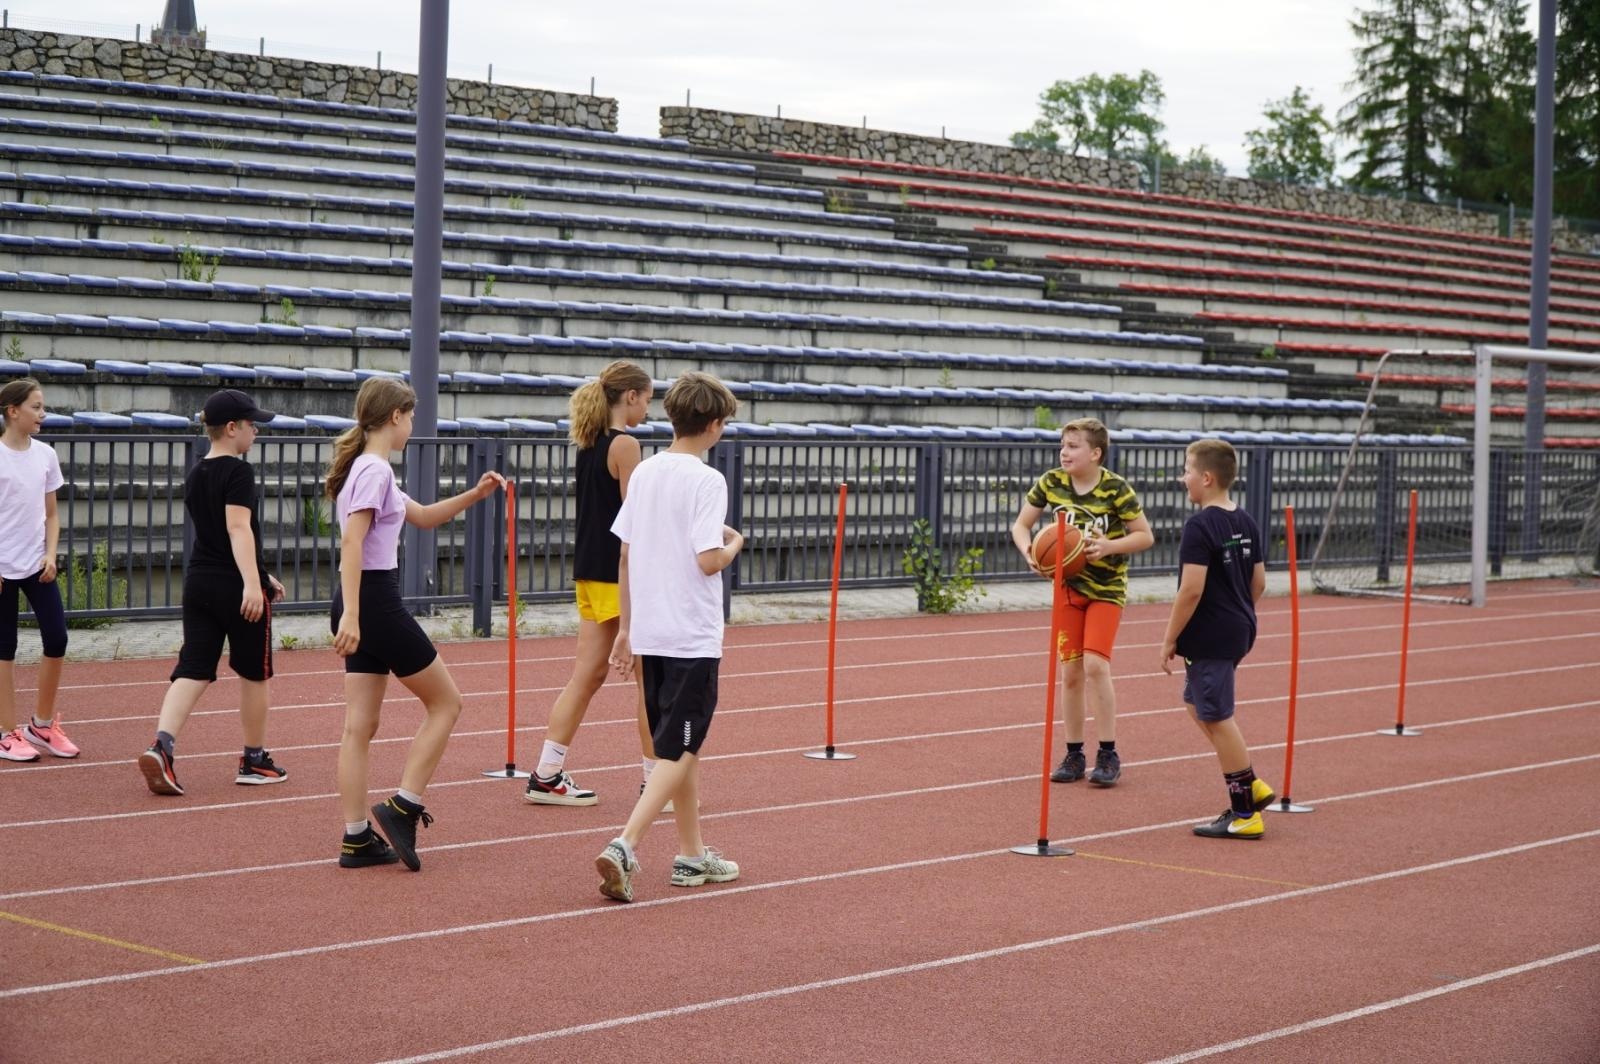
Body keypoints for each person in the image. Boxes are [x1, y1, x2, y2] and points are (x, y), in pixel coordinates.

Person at [327, 378, 505, 871]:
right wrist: (355, 614)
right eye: (410, 417)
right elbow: (352, 542)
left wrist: (475, 494)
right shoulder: (375, 469)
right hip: (373, 600)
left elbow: (423, 516)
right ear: (395, 417)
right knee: (447, 703)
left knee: (359, 726)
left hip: (360, 599)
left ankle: (357, 838)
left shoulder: (367, 468)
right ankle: (404, 806)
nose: (412, 426)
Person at [594, 372, 743, 903]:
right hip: (689, 635)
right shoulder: (707, 480)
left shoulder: (647, 472)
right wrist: (735, 544)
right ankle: (625, 844)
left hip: (652, 630)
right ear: (715, 425)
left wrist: (626, 629)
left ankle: (691, 855)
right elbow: (708, 561)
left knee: (683, 745)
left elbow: (625, 553)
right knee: (678, 748)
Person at [139, 390, 288, 795]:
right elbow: (237, 529)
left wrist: (262, 573)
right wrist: (252, 584)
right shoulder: (238, 472)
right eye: (252, 424)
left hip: (199, 582)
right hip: (234, 587)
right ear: (232, 428)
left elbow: (217, 536)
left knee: (193, 668)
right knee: (254, 673)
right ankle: (254, 759)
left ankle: (162, 746)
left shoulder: (196, 472)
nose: (257, 430)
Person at [524, 361, 657, 808]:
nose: (648, 408)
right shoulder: (625, 445)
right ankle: (655, 783)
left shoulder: (589, 440)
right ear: (631, 396)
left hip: (589, 569)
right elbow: (635, 521)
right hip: (616, 573)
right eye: (647, 399)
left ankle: (546, 773)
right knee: (650, 682)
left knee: (587, 676)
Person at [1011, 417, 1154, 787]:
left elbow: (1144, 536)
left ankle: (1108, 753)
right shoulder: (1051, 482)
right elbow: (1021, 525)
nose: (1064, 452)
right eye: (1062, 445)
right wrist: (1030, 552)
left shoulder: (1116, 488)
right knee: (1071, 672)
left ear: (1096, 453)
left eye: (1073, 446)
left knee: (1095, 666)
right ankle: (1074, 754)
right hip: (1068, 590)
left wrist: (1108, 546)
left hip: (1106, 589)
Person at [1159, 439, 1276, 839]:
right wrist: (1238, 613)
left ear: (1206, 478)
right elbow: (1259, 582)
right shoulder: (1246, 520)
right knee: (1197, 704)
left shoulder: (1199, 525)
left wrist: (1169, 638)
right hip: (1238, 627)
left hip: (1211, 634)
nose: (1183, 478)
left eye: (1187, 470)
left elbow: (1190, 589)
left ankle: (1245, 813)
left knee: (1218, 717)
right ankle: (1251, 783)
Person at [0, 378, 75, 763]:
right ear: (13, 411)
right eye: (36, 407)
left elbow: (51, 514)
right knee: (4, 648)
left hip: (35, 564)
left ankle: (41, 725)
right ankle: (5, 732)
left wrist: (50, 554)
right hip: (1, 568)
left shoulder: (46, 455)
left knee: (57, 638)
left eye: (43, 407)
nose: (43, 414)